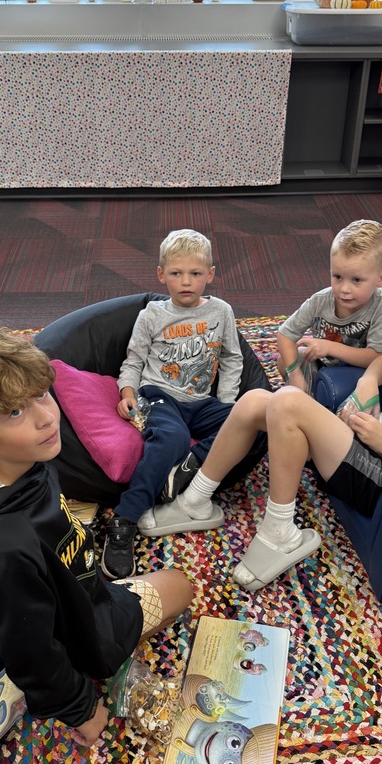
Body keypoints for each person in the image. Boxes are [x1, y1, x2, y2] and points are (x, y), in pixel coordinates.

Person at [139, 242, 382, 594]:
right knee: (257, 399)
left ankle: (280, 532)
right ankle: (197, 500)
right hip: (367, 445)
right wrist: (369, 382)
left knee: (287, 402)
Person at [0, 327, 192, 750]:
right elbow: (33, 643)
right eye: (14, 412)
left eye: (40, 394)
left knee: (18, 624)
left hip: (41, 600)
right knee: (182, 589)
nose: (46, 416)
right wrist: (82, 710)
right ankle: (23, 674)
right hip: (72, 622)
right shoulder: (4, 548)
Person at [102, 228, 243, 580]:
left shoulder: (221, 311)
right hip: (160, 394)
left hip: (203, 400)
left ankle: (186, 469)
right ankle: (125, 519)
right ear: (161, 274)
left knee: (255, 424)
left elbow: (232, 359)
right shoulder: (152, 315)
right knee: (172, 438)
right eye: (176, 273)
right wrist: (127, 391)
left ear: (210, 274)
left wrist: (229, 409)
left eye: (195, 274)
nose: (186, 282)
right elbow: (133, 360)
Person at [277, 219, 382, 392]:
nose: (344, 289)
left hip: (361, 373)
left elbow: (378, 357)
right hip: (324, 365)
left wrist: (329, 347)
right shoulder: (320, 300)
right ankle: (309, 396)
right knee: (286, 361)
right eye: (338, 277)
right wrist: (295, 376)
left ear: (381, 278)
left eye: (356, 280)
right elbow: (285, 335)